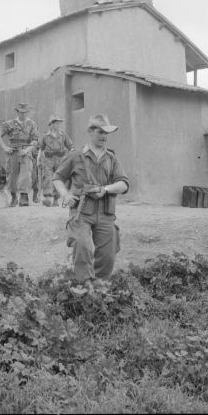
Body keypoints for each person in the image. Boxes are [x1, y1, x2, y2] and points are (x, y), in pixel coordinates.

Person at [52, 114, 129, 286]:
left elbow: (123, 184)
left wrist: (105, 189)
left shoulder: (111, 158)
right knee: (82, 244)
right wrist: (65, 194)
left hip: (105, 213)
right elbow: (57, 178)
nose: (104, 137)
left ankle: (98, 287)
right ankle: (84, 285)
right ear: (90, 132)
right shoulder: (75, 156)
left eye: (106, 133)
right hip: (82, 212)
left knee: (108, 255)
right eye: (100, 132)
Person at [0, 102, 39, 207]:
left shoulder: (32, 124)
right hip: (13, 152)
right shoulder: (9, 124)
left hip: (25, 152)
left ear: (27, 112)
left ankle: (24, 197)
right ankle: (14, 197)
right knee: (11, 175)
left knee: (26, 174)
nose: (23, 114)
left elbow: (35, 140)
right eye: (21, 112)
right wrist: (5, 147)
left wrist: (27, 150)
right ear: (17, 111)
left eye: (25, 112)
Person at [39, 114, 74, 207]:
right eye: (56, 123)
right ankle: (47, 199)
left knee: (58, 178)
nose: (58, 125)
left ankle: (56, 199)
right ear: (51, 124)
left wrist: (72, 153)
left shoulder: (63, 134)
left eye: (59, 123)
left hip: (60, 159)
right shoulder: (45, 135)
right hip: (48, 159)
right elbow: (41, 148)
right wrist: (39, 158)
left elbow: (70, 146)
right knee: (48, 177)